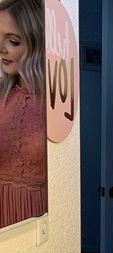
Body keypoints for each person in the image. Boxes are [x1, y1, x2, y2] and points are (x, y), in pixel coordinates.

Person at [0, 0, 47, 229]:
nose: (1, 48)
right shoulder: (1, 95)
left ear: (36, 42)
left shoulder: (58, 105)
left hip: (40, 217)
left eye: (13, 41)